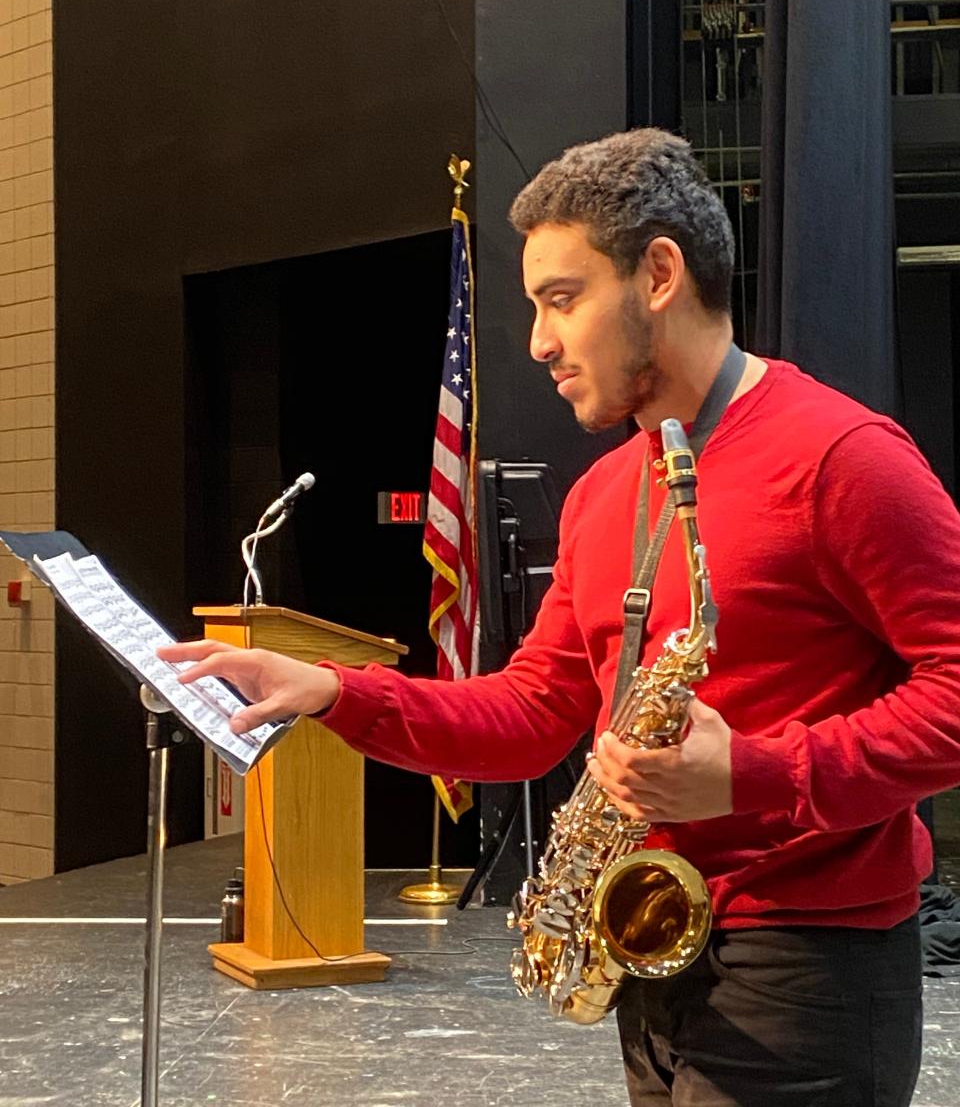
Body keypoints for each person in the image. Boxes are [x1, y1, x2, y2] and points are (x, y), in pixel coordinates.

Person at [160, 128, 960, 1106]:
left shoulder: (843, 456)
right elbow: (535, 713)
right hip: (654, 955)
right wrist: (333, 692)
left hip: (809, 969)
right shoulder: (600, 494)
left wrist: (755, 774)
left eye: (563, 297)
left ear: (658, 273)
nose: (538, 340)